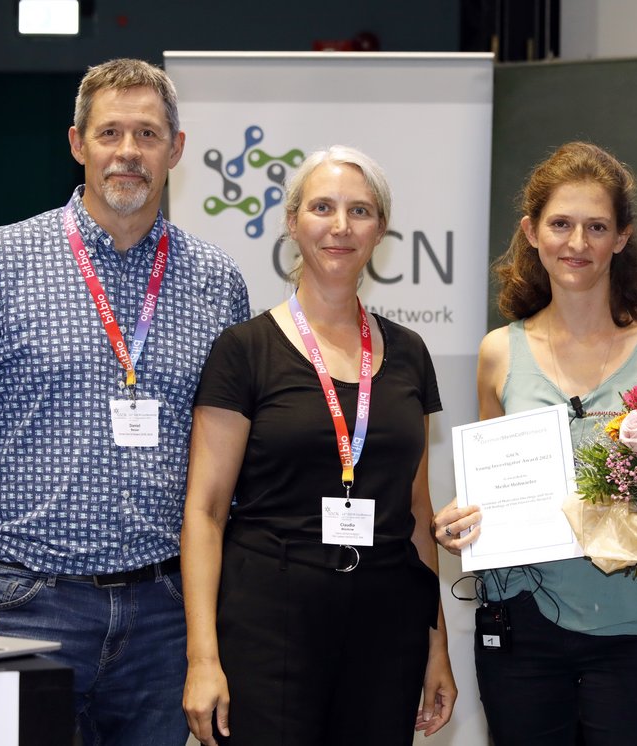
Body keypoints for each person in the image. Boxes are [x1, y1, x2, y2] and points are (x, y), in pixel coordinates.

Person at [0, 58, 250, 745]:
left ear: (175, 149)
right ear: (76, 144)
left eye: (147, 134)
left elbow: (230, 470)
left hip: (164, 618)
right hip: (22, 609)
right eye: (110, 132)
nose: (128, 151)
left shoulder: (217, 283)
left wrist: (215, 620)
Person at [180, 145, 456, 745]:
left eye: (359, 211)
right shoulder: (244, 351)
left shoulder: (409, 354)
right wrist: (203, 659)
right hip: (269, 620)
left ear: (380, 228)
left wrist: (437, 649)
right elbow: (204, 512)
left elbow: (415, 515)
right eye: (323, 207)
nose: (340, 226)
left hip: (386, 627)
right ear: (292, 222)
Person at [432, 141, 637, 745]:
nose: (577, 243)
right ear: (531, 232)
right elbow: (488, 498)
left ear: (622, 237)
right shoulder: (498, 351)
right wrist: (462, 528)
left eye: (596, 226)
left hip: (634, 629)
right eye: (560, 224)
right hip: (519, 628)